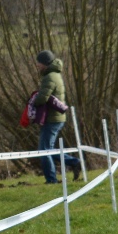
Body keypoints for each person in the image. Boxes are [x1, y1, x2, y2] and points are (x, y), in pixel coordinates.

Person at [31, 50, 82, 184]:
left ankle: (52, 180)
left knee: (44, 151)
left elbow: (43, 98)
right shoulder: (54, 75)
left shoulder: (50, 77)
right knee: (48, 149)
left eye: (39, 62)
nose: (37, 65)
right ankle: (74, 162)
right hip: (56, 118)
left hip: (52, 119)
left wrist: (32, 101)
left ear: (45, 63)